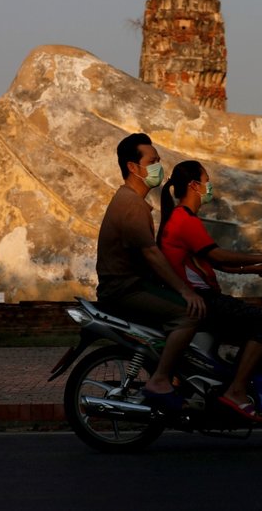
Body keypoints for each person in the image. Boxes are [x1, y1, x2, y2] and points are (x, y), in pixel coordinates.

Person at [157, 160, 262, 422]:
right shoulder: (184, 219)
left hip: (201, 296)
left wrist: (258, 268)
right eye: (206, 180)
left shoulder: (182, 218)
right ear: (194, 185)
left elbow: (215, 263)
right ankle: (236, 391)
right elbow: (217, 253)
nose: (209, 185)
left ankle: (232, 380)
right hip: (201, 300)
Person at [95, 133, 207, 410]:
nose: (159, 167)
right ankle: (159, 381)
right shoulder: (131, 204)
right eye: (153, 161)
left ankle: (178, 378)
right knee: (187, 314)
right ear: (133, 167)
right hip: (125, 289)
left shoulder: (134, 201)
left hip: (132, 284)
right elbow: (151, 254)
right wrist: (184, 290)